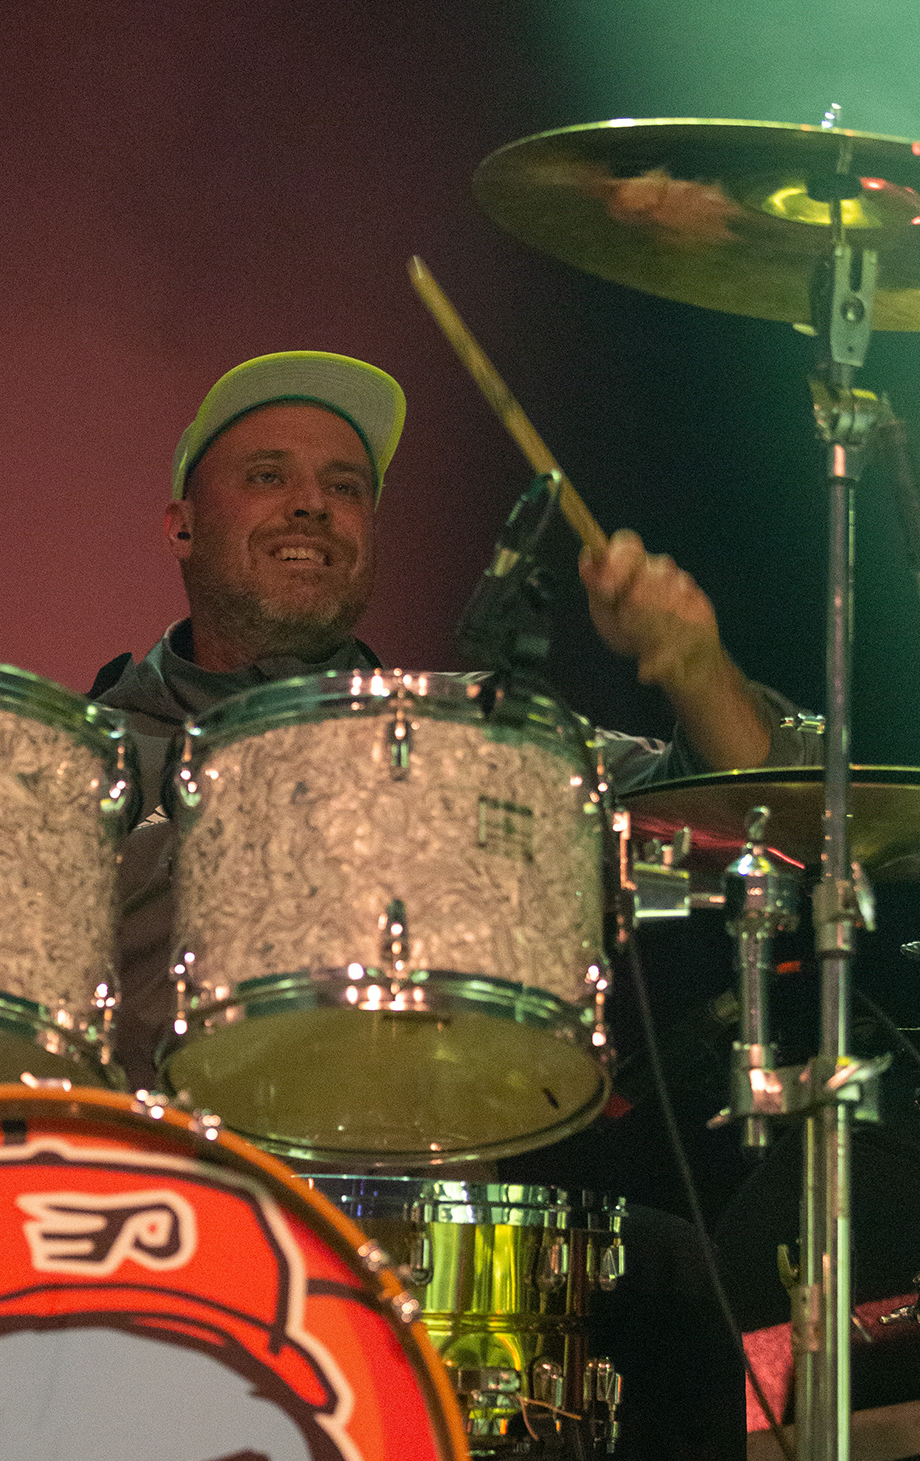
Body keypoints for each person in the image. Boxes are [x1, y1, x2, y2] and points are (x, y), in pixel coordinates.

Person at [89, 350, 820, 1093]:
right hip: (148, 1163)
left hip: (427, 1154)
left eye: (344, 487)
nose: (312, 504)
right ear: (182, 529)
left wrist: (696, 668)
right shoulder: (81, 760)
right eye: (267, 476)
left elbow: (760, 813)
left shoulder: (475, 734)